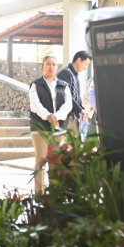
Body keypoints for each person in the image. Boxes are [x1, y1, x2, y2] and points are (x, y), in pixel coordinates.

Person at [29, 55, 71, 194]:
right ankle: (39, 194)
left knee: (56, 162)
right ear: (42, 67)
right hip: (40, 128)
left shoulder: (64, 86)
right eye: (48, 64)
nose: (51, 66)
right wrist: (48, 116)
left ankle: (55, 194)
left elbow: (68, 105)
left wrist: (56, 116)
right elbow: (35, 105)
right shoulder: (36, 85)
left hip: (58, 129)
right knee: (40, 161)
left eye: (53, 64)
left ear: (56, 67)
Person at [57, 51, 92, 133]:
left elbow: (77, 97)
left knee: (74, 144)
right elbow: (66, 97)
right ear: (79, 60)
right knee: (64, 144)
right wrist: (81, 111)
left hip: (73, 117)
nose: (86, 67)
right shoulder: (65, 73)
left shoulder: (74, 75)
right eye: (85, 64)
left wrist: (82, 110)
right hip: (65, 118)